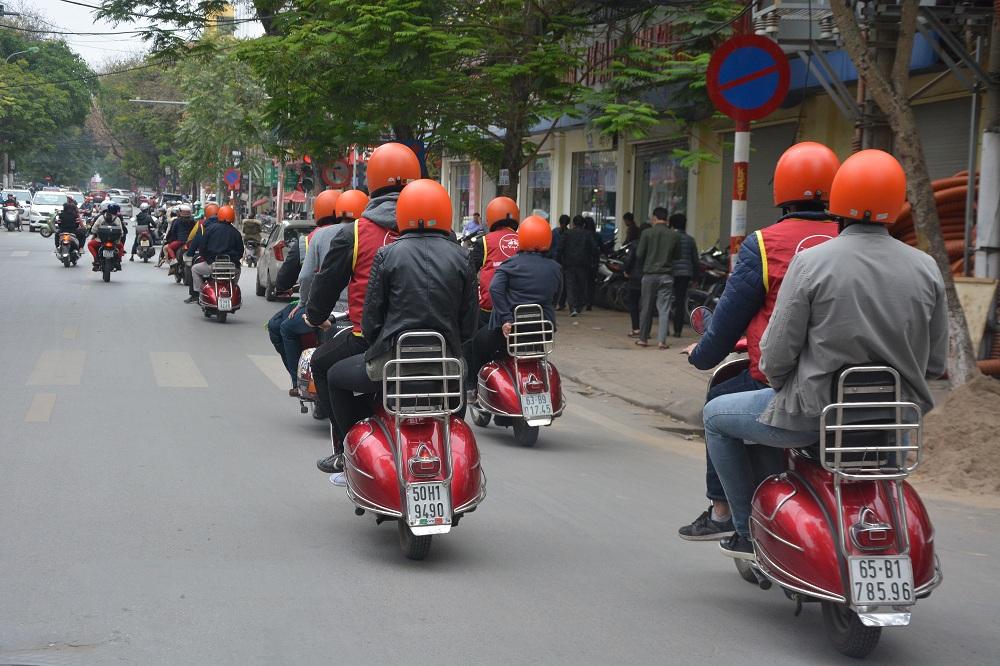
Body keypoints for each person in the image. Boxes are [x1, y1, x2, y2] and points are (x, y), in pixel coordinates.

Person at [704, 149, 947, 559]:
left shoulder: (811, 262)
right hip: (893, 424)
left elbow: (776, 356)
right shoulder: (926, 268)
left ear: (839, 201)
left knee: (714, 417)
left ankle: (743, 528)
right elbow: (936, 364)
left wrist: (785, 385)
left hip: (813, 417)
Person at [678, 141, 842, 541]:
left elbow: (729, 320)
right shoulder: (855, 241)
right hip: (858, 388)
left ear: (781, 189)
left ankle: (724, 512)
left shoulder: (766, 244)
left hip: (787, 386)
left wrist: (702, 355)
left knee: (717, 406)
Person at [326, 179, 477, 447]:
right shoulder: (462, 257)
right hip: (446, 367)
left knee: (335, 377)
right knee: (454, 416)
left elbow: (371, 321)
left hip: (393, 365)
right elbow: (469, 325)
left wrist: (377, 342)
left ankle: (347, 451)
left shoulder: (387, 254)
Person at [302, 142, 420, 473]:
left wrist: (314, 315)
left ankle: (346, 447)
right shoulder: (438, 236)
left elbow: (325, 284)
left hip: (369, 340)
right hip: (431, 341)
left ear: (372, 181)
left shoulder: (356, 232)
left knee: (323, 364)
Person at [464, 214, 562, 388]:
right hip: (541, 334)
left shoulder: (510, 265)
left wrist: (506, 318)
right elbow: (558, 294)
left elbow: (495, 289)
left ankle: (473, 388)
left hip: (510, 334)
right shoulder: (555, 268)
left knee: (476, 344)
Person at [275, 189, 353, 397]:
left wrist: (304, 303)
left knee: (284, 328)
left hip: (327, 310)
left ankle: (297, 381)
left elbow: (306, 277)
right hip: (362, 313)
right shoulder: (381, 235)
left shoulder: (313, 238)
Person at [470, 196, 520, 327]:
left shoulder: (484, 241)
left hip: (490, 307)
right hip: (519, 305)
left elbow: (470, 271)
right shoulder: (524, 240)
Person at [634, 207, 680, 349]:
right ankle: (662, 341)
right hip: (666, 275)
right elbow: (677, 256)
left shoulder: (647, 233)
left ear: (654, 218)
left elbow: (639, 254)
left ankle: (643, 339)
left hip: (649, 275)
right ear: (666, 218)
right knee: (664, 309)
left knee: (646, 308)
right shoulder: (674, 235)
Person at [187, 205, 243, 303]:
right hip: (231, 268)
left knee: (194, 269)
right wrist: (234, 261)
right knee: (238, 271)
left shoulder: (210, 229)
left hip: (213, 265)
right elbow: (240, 252)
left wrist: (208, 259)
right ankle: (231, 289)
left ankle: (200, 292)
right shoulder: (236, 233)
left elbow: (202, 248)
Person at [557, 214, 596, 317]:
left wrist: (560, 261)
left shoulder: (567, 234)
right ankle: (579, 306)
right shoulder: (587, 234)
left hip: (569, 264)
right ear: (583, 224)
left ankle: (572, 307)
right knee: (582, 285)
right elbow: (594, 248)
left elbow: (560, 248)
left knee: (570, 286)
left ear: (573, 224)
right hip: (583, 264)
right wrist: (592, 260)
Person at [668, 213, 699, 337]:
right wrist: (696, 277)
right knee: (680, 301)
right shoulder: (690, 239)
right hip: (685, 274)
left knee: (666, 301)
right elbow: (695, 260)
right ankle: (677, 330)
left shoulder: (669, 237)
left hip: (670, 272)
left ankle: (665, 330)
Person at [87, 202, 128, 269]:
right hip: (115, 242)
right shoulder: (117, 219)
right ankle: (118, 261)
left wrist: (93, 232)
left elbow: (94, 228)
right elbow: (121, 232)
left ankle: (96, 259)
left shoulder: (101, 217)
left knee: (90, 244)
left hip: (100, 241)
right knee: (121, 247)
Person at [623, 223, 646, 337]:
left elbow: (629, 260)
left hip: (635, 278)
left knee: (633, 303)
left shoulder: (634, 244)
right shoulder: (651, 245)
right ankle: (645, 329)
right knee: (647, 305)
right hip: (648, 277)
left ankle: (636, 328)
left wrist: (626, 271)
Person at [163, 203, 196, 269]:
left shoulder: (176, 221)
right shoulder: (193, 221)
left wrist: (169, 239)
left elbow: (172, 232)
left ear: (180, 212)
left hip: (180, 241)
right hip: (190, 242)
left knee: (169, 247)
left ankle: (174, 260)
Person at [552, 214, 570, 308]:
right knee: (564, 283)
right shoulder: (569, 233)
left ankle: (555, 302)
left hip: (555, 260)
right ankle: (562, 303)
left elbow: (550, 245)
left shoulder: (554, 232)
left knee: (556, 282)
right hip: (565, 261)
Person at [584, 217, 602, 311]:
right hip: (594, 262)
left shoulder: (583, 235)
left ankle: (583, 301)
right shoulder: (597, 235)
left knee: (583, 281)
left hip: (584, 261)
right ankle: (589, 302)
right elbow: (601, 247)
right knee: (591, 282)